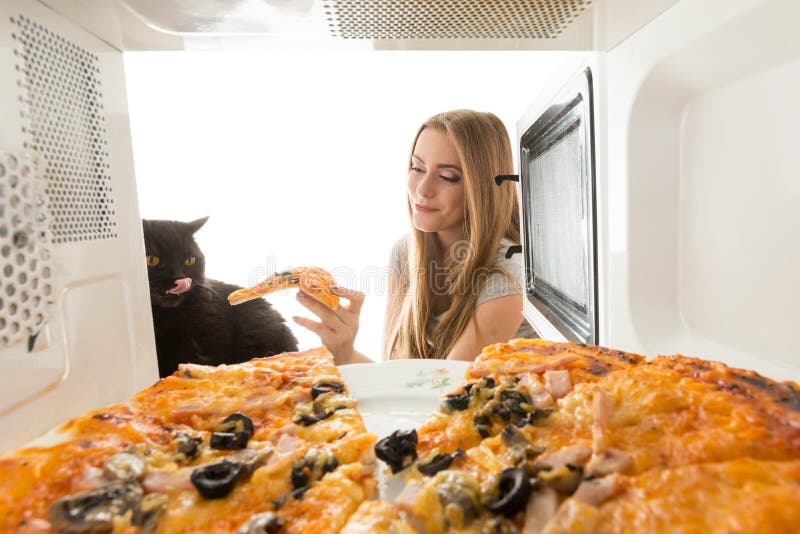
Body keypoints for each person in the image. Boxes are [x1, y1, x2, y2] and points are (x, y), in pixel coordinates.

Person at [293, 109, 536, 364]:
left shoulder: (510, 273)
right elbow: (395, 378)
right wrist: (343, 350)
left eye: (447, 177)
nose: (422, 189)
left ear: (483, 189)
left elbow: (445, 392)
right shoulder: (404, 254)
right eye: (417, 167)